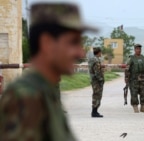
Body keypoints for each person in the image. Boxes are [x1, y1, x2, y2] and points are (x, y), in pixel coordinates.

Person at [0, 2, 96, 140]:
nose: (80, 53)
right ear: (47, 43)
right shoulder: (26, 97)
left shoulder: (44, 91)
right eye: (73, 42)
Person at [125, 44, 144, 113]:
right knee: (134, 93)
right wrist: (126, 78)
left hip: (142, 79)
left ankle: (143, 107)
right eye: (137, 49)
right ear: (135, 49)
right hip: (133, 80)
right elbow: (127, 68)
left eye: (140, 49)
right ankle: (135, 106)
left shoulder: (143, 58)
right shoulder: (131, 58)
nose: (139, 50)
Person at [88, 48, 105, 118]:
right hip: (97, 81)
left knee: (96, 95)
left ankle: (95, 111)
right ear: (99, 52)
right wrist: (101, 79)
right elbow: (97, 71)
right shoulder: (96, 60)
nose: (101, 53)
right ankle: (94, 112)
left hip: (94, 80)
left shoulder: (92, 59)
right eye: (101, 52)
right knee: (97, 95)